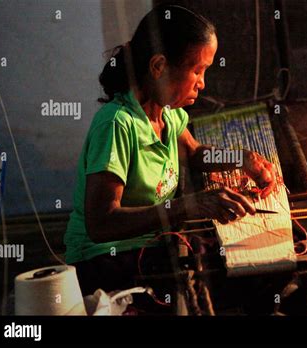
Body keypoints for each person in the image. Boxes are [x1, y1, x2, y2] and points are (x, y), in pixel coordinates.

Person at [64, 4, 276, 299]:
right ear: (159, 66)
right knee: (234, 280)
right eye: (197, 70)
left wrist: (241, 159)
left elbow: (193, 152)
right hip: (104, 260)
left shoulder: (167, 113)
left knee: (245, 264)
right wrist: (188, 206)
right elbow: (101, 223)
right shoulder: (116, 125)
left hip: (153, 245)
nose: (202, 83)